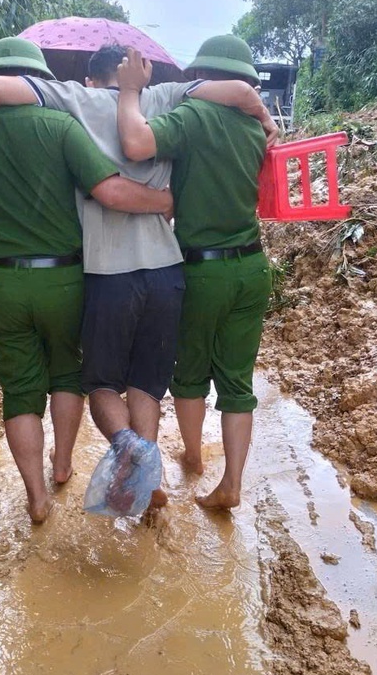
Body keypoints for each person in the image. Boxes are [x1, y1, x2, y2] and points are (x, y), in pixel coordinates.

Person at [0, 43, 277, 509]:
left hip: (105, 273)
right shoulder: (169, 97)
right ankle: (148, 479)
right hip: (167, 269)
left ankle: (129, 449)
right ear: (140, 74)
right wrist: (267, 118)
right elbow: (237, 90)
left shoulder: (74, 99)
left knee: (100, 385)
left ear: (92, 78)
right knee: (146, 384)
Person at [0, 37, 173, 524]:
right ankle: (62, 464)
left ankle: (38, 497)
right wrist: (169, 201)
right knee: (67, 374)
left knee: (20, 390)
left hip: (1, 284)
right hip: (63, 278)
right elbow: (107, 188)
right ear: (36, 79)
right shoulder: (60, 125)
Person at [117, 36, 273, 512]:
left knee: (189, 375)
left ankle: (192, 457)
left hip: (202, 269)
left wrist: (127, 94)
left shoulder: (194, 118)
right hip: (252, 267)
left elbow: (138, 142)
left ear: (202, 76)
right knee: (238, 380)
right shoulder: (254, 129)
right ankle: (232, 482)